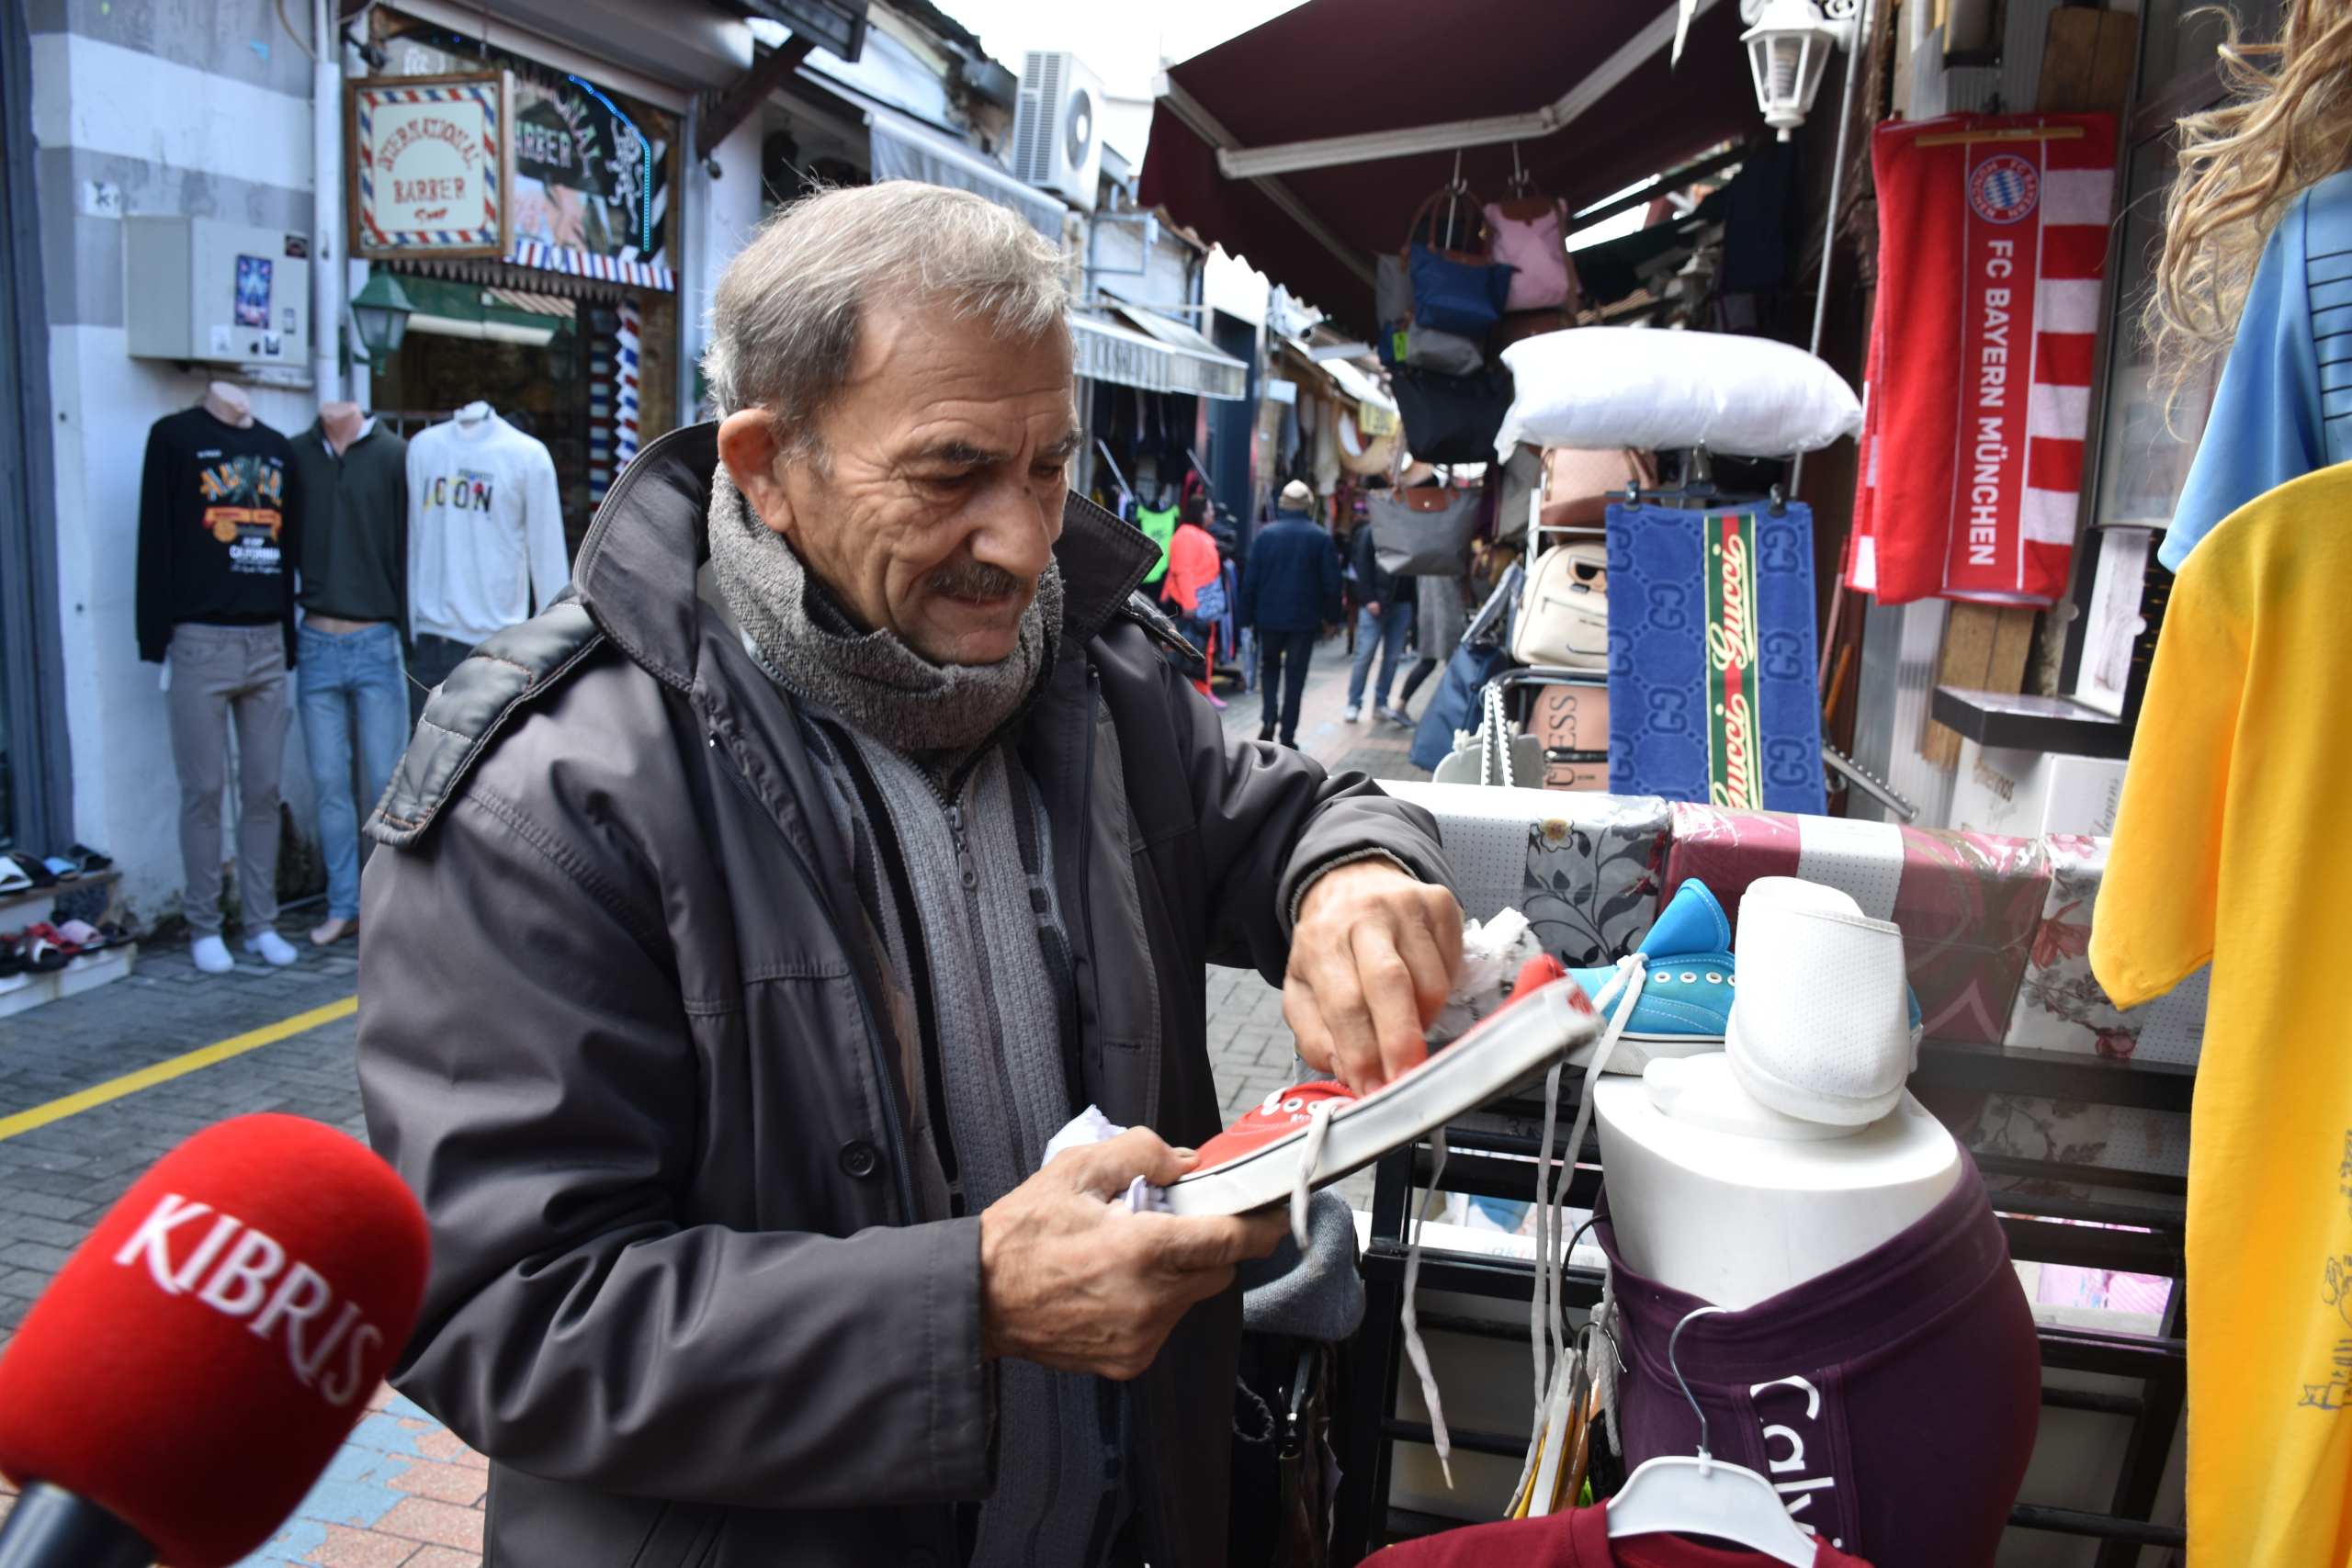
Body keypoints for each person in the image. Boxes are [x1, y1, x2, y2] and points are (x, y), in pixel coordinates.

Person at [356, 184, 1465, 1568]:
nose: (1021, 540)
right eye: (950, 474)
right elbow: (497, 1310)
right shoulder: (553, 796)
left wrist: (1355, 872)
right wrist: (967, 1301)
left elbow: (1288, 812)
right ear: (767, 464)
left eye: (1051, 467)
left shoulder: (1100, 680)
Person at [136, 381, 303, 975]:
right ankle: (204, 923)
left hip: (264, 641)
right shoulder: (174, 437)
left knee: (262, 789)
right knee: (203, 790)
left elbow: (289, 552)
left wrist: (287, 640)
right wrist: (154, 639)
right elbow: (153, 539)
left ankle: (260, 921)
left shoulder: (278, 449)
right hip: (199, 638)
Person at [288, 401, 408, 948]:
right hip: (314, 641)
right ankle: (342, 904)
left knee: (387, 782)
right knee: (330, 785)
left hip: (376, 639)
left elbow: (408, 549)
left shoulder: (394, 456)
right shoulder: (295, 455)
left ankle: (388, 908)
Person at [1238, 479, 1342, 748]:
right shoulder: (1320, 537)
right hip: (1303, 620)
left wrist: (1245, 618)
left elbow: (1250, 581)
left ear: (1283, 505)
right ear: (1307, 506)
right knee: (1295, 678)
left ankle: (1269, 716)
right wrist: (1332, 618)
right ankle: (1288, 736)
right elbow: (1332, 583)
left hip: (1268, 618)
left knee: (1269, 667)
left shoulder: (1266, 535)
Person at [1344, 515, 1414, 727]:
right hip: (1375, 603)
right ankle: (1354, 703)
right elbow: (1362, 564)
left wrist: (1414, 604)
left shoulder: (1412, 529)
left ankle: (1380, 702)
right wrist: (1370, 598)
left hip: (1402, 603)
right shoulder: (1372, 531)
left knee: (1392, 657)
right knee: (1365, 654)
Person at [1159, 492, 1226, 706]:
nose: (1212, 513)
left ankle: (1200, 693)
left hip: (1199, 603)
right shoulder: (1187, 535)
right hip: (1187, 603)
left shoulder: (1196, 534)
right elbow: (1183, 571)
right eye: (1209, 509)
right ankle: (1183, 696)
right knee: (1182, 647)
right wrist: (1189, 604)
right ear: (1200, 512)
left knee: (1200, 647)